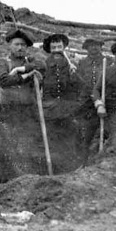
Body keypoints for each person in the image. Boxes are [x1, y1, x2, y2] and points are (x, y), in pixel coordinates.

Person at [0, 28, 46, 175]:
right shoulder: (3, 62)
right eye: (16, 44)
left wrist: (21, 69)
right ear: (9, 45)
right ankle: (13, 175)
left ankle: (32, 175)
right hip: (10, 110)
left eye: (23, 45)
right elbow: (4, 81)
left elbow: (42, 66)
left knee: (30, 142)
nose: (20, 47)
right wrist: (25, 76)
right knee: (11, 142)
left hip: (29, 110)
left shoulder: (31, 61)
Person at [41, 33, 84, 170]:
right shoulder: (44, 64)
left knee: (70, 137)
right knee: (52, 138)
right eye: (53, 47)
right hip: (49, 109)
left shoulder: (72, 64)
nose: (56, 50)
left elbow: (82, 87)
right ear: (49, 49)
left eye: (59, 46)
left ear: (64, 47)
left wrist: (74, 74)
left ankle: (72, 166)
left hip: (68, 108)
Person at [76, 38, 111, 161]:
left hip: (105, 99)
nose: (94, 48)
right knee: (86, 131)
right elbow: (79, 81)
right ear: (86, 48)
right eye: (91, 46)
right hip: (86, 101)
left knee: (105, 129)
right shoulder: (82, 63)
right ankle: (84, 157)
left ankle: (102, 155)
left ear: (101, 47)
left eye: (97, 45)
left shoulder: (109, 61)